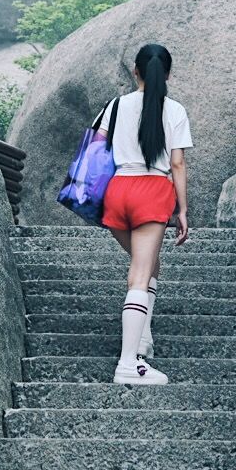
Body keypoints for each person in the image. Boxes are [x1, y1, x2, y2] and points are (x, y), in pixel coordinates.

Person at [97, 42, 192, 384]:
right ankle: (128, 364)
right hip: (151, 192)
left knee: (150, 263)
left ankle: (144, 337)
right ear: (167, 75)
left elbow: (97, 147)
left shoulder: (115, 106)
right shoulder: (175, 110)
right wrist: (182, 210)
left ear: (135, 71)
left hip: (117, 190)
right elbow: (177, 163)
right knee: (140, 273)